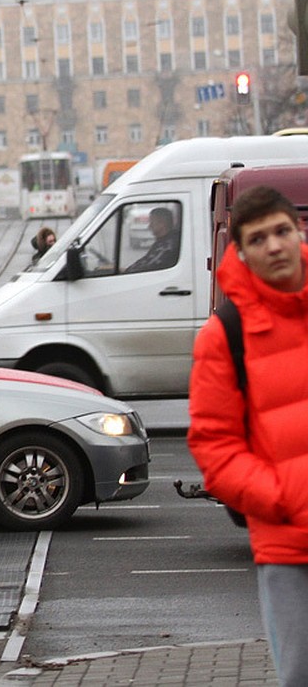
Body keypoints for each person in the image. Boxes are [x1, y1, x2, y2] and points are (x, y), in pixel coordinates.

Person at [188, 185, 308, 686]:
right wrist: (285, 498)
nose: (275, 246)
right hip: (287, 547)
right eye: (259, 239)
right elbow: (215, 448)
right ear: (241, 251)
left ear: (299, 232)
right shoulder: (224, 335)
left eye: (282, 231)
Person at [125, 205, 179, 272]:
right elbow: (144, 261)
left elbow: (149, 267)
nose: (149, 226)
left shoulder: (168, 246)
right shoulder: (161, 242)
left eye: (152, 222)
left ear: (161, 224)